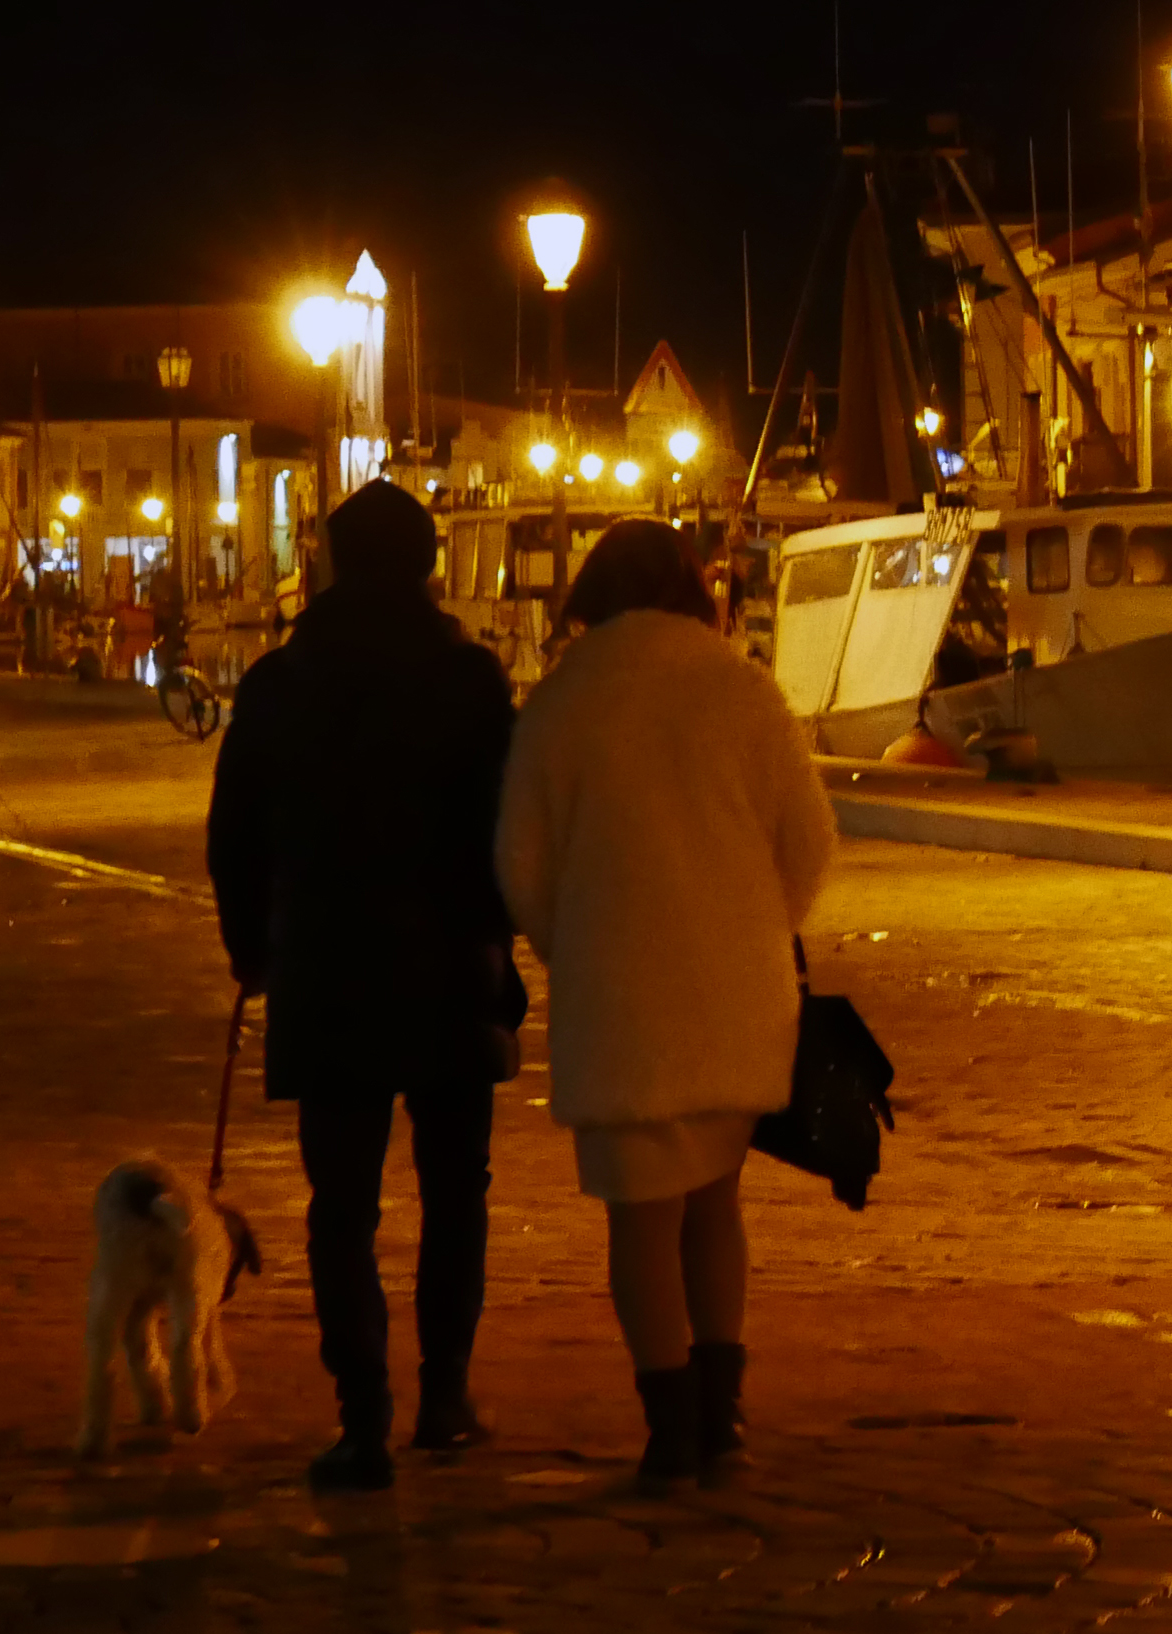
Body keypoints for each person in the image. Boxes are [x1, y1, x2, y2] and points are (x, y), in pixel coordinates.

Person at [496, 518, 834, 1487]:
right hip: (735, 993)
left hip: (620, 1000)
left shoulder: (564, 704)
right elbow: (809, 845)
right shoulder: (743, 690)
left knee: (638, 1221)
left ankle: (670, 1424)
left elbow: (521, 867)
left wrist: (581, 948)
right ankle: (723, 1413)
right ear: (697, 589)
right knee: (716, 1204)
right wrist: (755, 932)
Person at [205, 479, 524, 1493]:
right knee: (453, 1195)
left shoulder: (278, 683)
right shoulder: (471, 680)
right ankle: (446, 1395)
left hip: (326, 969)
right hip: (448, 969)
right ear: (431, 564)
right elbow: (506, 833)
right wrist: (500, 932)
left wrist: (251, 951)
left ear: (332, 563)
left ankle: (362, 1419)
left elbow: (234, 839)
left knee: (341, 1204)